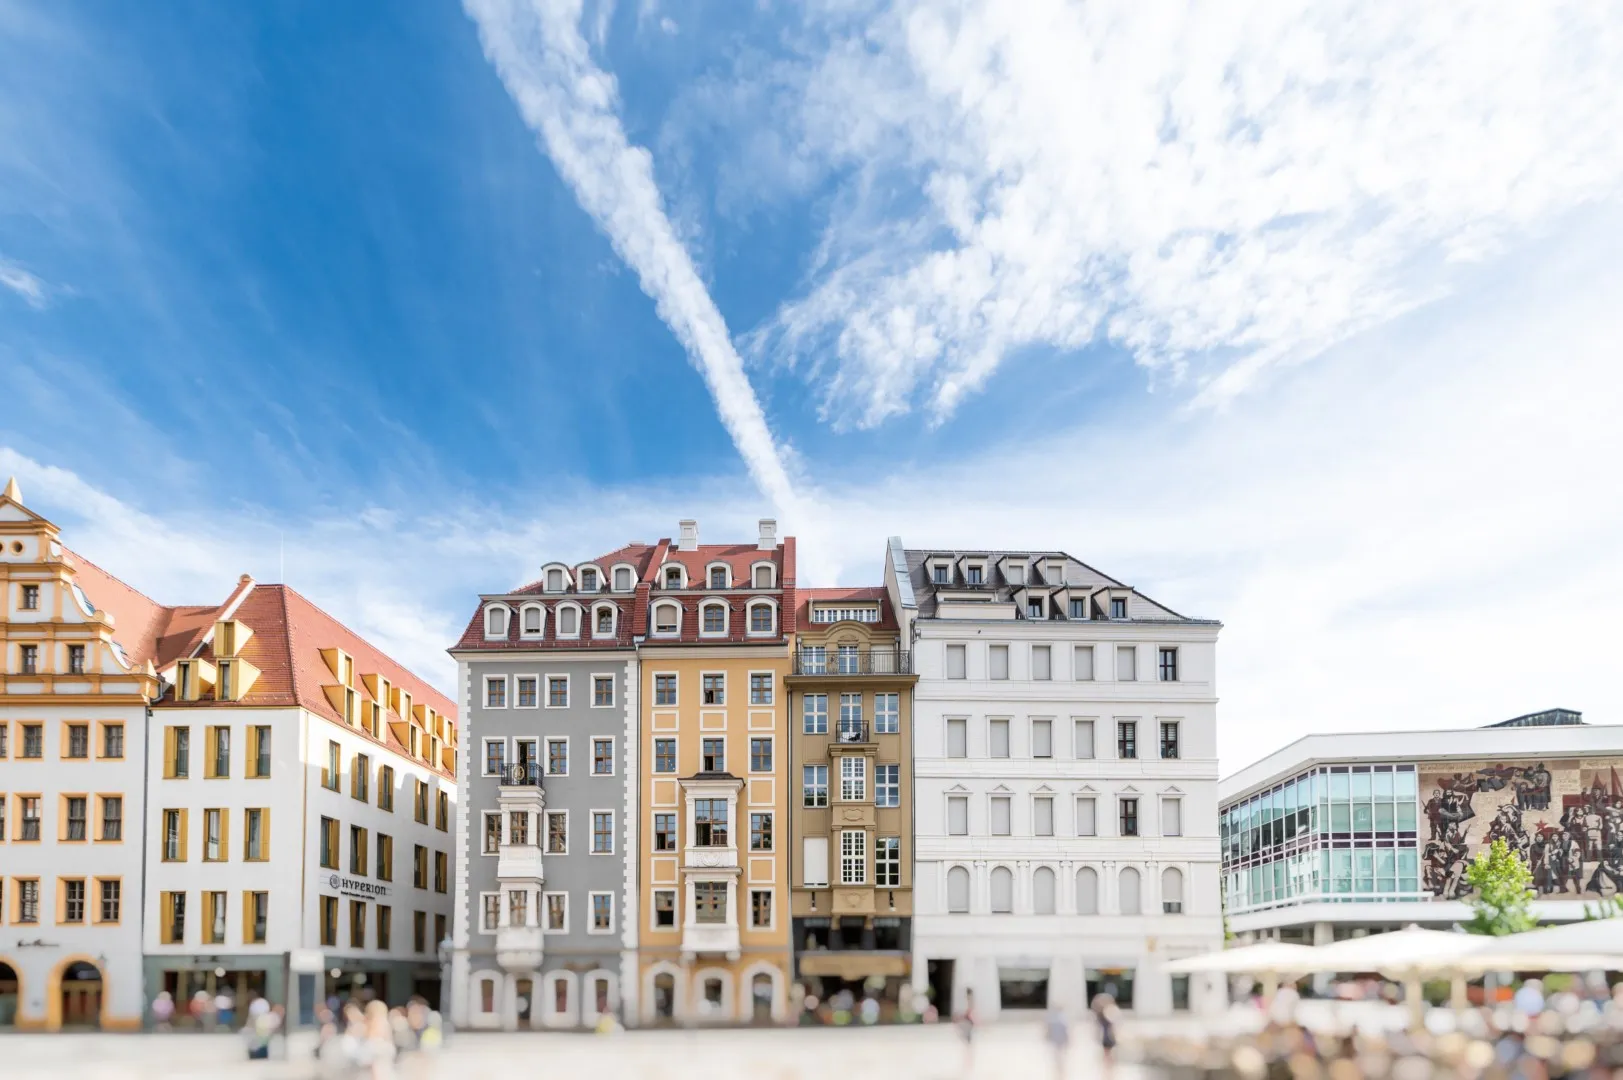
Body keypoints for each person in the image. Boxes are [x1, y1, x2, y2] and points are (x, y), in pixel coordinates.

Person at [1091, 993, 1117, 1077]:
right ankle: (1108, 1072)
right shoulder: (1105, 1013)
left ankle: (1107, 1071)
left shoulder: (1101, 1014)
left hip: (1106, 1036)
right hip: (1108, 1036)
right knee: (1108, 1054)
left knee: (1107, 1054)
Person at [1044, 1005, 1070, 1080]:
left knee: (1058, 1056)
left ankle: (1059, 1070)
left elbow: (1048, 1030)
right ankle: (1060, 1071)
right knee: (1059, 1056)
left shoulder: (1054, 1019)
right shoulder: (1062, 1019)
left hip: (1057, 1040)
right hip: (1059, 1040)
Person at [956, 989, 976, 1077]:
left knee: (968, 1045)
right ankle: (968, 1063)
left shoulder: (968, 1002)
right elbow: (969, 1013)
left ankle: (968, 1063)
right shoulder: (969, 1002)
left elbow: (968, 1013)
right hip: (968, 1023)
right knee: (968, 1045)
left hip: (967, 1023)